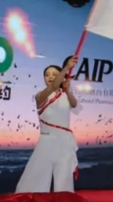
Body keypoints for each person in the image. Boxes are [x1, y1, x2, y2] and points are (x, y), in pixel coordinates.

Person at [16, 55, 80, 193]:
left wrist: (68, 89)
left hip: (64, 142)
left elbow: (74, 104)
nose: (50, 77)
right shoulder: (41, 96)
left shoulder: (65, 95)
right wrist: (66, 68)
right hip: (47, 141)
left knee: (64, 179)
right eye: (47, 75)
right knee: (37, 177)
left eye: (54, 74)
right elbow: (54, 86)